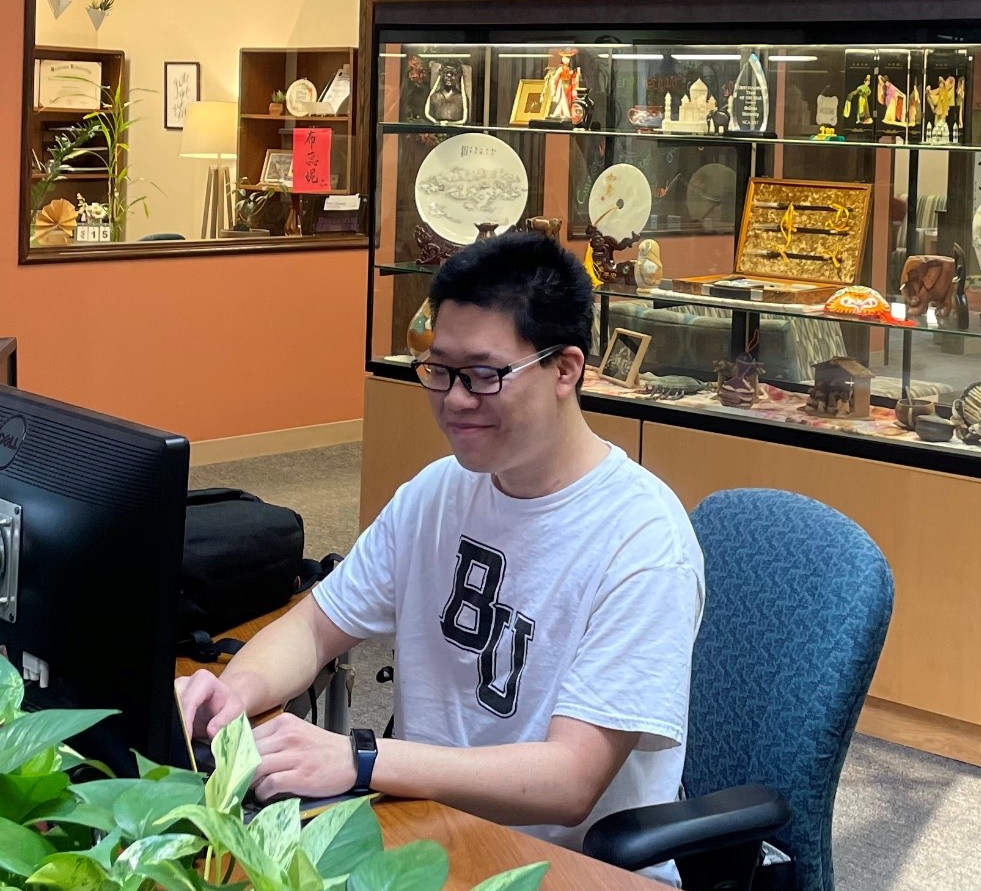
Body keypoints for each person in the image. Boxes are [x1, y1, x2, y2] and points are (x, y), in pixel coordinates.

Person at [177, 231, 703, 881]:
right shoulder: (437, 493)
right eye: (439, 369)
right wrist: (230, 694)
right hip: (425, 830)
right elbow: (316, 626)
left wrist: (362, 758)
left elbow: (570, 778)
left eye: (483, 374)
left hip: (564, 867)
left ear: (565, 368)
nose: (454, 399)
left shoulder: (643, 540)